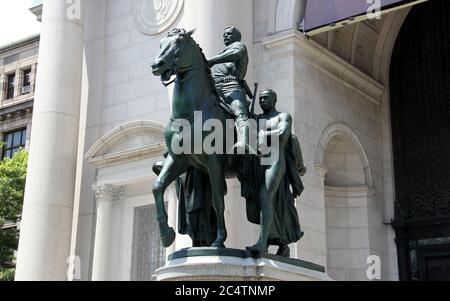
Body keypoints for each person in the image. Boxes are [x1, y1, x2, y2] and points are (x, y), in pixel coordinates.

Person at [242, 89, 305, 257]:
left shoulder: (283, 116)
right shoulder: (256, 118)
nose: (262, 100)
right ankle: (281, 243)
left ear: (274, 99)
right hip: (258, 163)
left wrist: (262, 134)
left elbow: (283, 134)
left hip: (275, 160)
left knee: (265, 196)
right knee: (271, 203)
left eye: (266, 98)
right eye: (260, 98)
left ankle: (262, 243)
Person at [208, 26, 256, 154]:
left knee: (239, 112)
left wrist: (212, 60)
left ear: (236, 36)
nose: (225, 36)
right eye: (224, 34)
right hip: (215, 90)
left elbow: (236, 54)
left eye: (228, 34)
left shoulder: (239, 47)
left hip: (232, 87)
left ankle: (244, 141)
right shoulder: (222, 54)